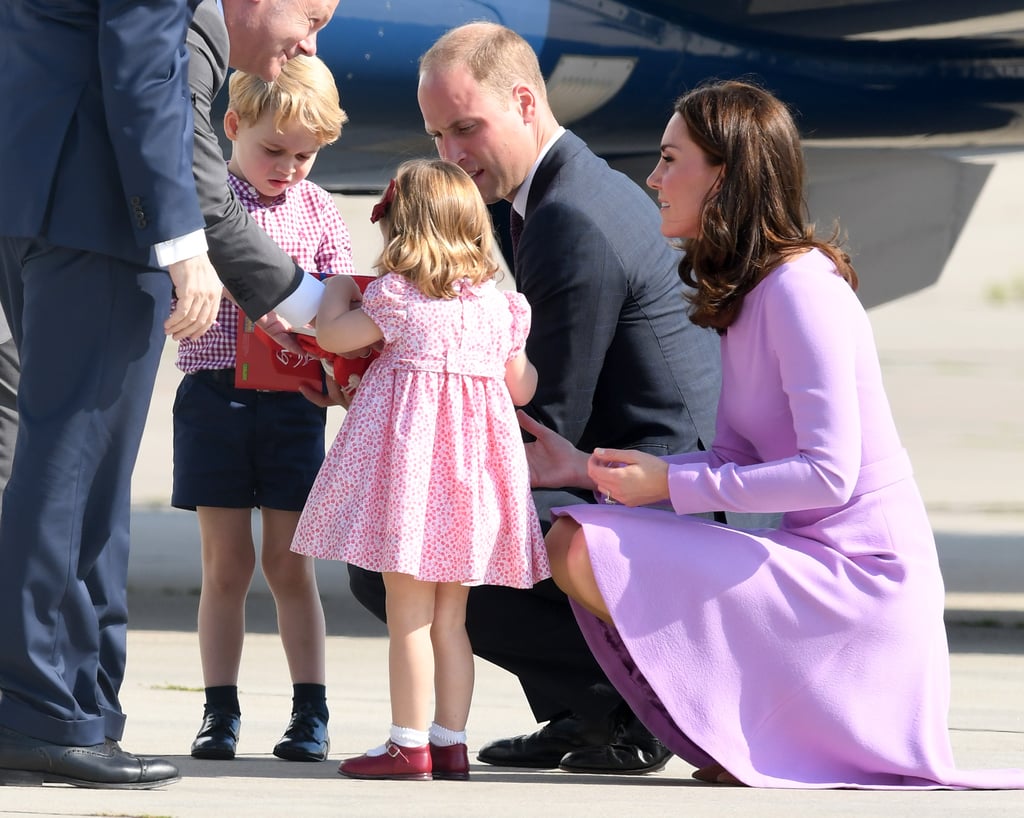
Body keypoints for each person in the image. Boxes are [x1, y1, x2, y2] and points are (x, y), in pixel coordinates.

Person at [539, 79, 1024, 789]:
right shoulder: (750, 290)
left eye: (672, 160)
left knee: (582, 544)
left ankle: (739, 728)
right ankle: (730, 728)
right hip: (810, 559)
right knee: (574, 535)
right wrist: (589, 469)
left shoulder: (803, 288)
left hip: (863, 585)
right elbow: (736, 457)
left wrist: (669, 482)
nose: (653, 177)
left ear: (725, 175)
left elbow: (830, 474)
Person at [346, 21, 723, 775]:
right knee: (415, 527)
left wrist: (400, 392)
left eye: (466, 128)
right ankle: (582, 708)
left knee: (392, 543)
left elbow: (551, 414)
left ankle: (623, 709)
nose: (451, 154)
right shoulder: (549, 194)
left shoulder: (569, 218)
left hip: (671, 506)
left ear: (524, 101)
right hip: (636, 478)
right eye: (436, 135)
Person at [0, 0, 338, 790]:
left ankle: (69, 702)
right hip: (100, 227)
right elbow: (142, 80)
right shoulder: (184, 25)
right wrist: (183, 248)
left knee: (67, 465)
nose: (310, 43)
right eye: (311, 14)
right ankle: (42, 706)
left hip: (38, 209)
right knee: (75, 470)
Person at [293, 159, 549, 781]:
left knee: (408, 615)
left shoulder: (398, 299)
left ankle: (408, 745)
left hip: (412, 486)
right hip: (469, 487)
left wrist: (335, 289)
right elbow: (523, 388)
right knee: (453, 622)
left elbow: (333, 336)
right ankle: (451, 742)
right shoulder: (502, 309)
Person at [175, 54, 352, 764]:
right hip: (215, 394)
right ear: (231, 126)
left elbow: (342, 305)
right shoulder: (205, 200)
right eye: (273, 150)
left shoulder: (319, 211)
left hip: (290, 403)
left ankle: (310, 710)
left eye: (305, 155)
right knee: (226, 565)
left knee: (288, 563)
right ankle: (219, 711)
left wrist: (339, 366)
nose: (289, 168)